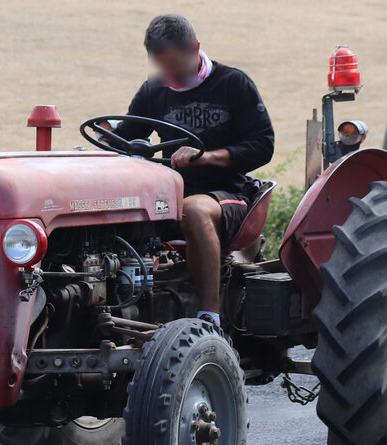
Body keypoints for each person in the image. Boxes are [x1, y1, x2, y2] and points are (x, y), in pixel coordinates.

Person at [111, 14, 274, 328]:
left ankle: (210, 317)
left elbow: (262, 145)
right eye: (162, 66)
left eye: (175, 65)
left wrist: (207, 157)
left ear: (195, 49)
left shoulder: (233, 83)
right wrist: (109, 137)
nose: (170, 74)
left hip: (228, 196)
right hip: (168, 198)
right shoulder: (154, 90)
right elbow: (128, 137)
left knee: (192, 210)